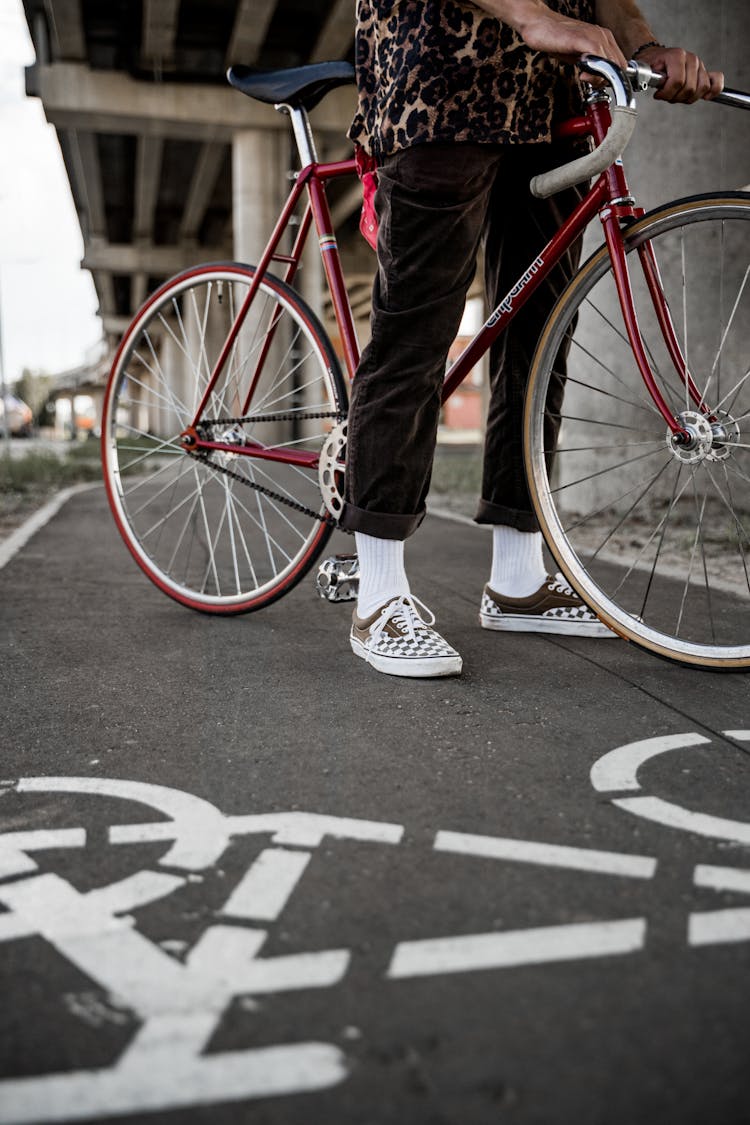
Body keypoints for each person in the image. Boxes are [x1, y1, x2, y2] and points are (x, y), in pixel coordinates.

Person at [340, 0, 724, 678]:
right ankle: (377, 591)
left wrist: (643, 44)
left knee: (541, 332)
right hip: (442, 79)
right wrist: (529, 15)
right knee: (417, 329)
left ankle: (518, 576)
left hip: (551, 97)